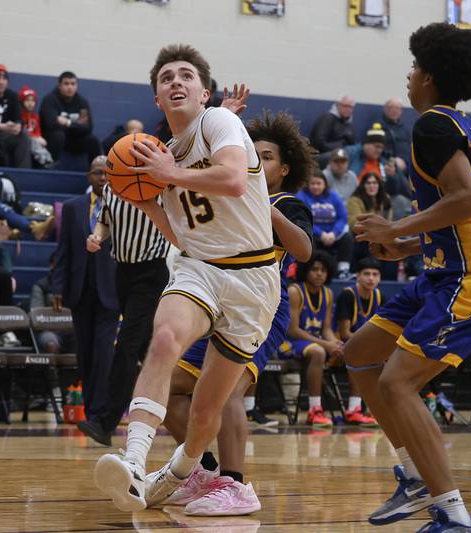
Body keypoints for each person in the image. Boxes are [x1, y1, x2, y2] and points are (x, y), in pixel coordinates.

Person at [345, 23, 471, 532]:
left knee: (398, 382)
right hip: (448, 270)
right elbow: (464, 215)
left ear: (432, 76)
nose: (410, 74)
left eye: (416, 66)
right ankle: (417, 476)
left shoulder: (433, 126)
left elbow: (467, 201)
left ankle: (454, 516)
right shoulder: (449, 126)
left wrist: (396, 223)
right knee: (359, 353)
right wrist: (407, 243)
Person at [93, 45, 280, 513]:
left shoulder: (220, 123)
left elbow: (235, 179)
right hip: (200, 268)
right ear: (157, 99)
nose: (175, 82)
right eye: (166, 78)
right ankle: (134, 461)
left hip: (254, 277)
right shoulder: (164, 156)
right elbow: (181, 232)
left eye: (186, 76)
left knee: (203, 409)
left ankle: (184, 472)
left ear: (204, 92)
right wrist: (148, 202)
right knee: (163, 340)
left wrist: (169, 173)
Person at [160, 110, 314, 515]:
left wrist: (271, 211)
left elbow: (303, 251)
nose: (256, 161)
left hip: (261, 302)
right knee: (172, 387)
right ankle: (205, 473)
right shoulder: (228, 191)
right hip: (216, 295)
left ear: (283, 168)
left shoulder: (286, 201)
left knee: (228, 391)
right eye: (252, 153)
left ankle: (236, 483)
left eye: (265, 157)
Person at [76, 151, 171, 446]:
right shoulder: (110, 189)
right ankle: (181, 415)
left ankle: (105, 422)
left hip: (152, 272)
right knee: (144, 352)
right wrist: (96, 237)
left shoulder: (157, 186)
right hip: (123, 273)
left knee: (126, 346)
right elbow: (105, 221)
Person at [51, 156, 119, 429]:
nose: (102, 177)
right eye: (96, 172)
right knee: (85, 354)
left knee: (104, 353)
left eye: (106, 173)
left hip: (111, 291)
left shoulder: (122, 206)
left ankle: (101, 413)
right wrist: (58, 286)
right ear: (88, 176)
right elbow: (63, 250)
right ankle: (90, 413)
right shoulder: (72, 208)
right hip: (80, 291)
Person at [282, 252, 341, 427]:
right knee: (318, 352)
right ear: (305, 271)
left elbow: (327, 329)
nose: (319, 273)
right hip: (288, 343)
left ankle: (355, 409)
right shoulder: (295, 291)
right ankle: (314, 410)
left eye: (323, 270)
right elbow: (292, 331)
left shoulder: (328, 294)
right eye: (314, 269)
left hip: (313, 342)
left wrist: (336, 343)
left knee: (346, 348)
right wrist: (326, 344)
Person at [334, 257, 381, 426]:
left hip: (368, 345)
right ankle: (354, 409)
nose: (371, 278)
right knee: (362, 354)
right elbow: (345, 333)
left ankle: (376, 409)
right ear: (358, 276)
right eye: (367, 274)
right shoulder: (347, 295)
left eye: (375, 274)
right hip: (340, 345)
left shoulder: (379, 296)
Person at [298, 171, 354, 279]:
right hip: (313, 234)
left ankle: (343, 270)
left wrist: (334, 233)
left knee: (348, 237)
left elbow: (343, 217)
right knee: (307, 237)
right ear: (308, 184)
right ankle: (310, 268)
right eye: (312, 184)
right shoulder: (301, 197)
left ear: (325, 184)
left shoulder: (333, 196)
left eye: (318, 183)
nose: (315, 186)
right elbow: (304, 220)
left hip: (332, 235)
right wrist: (321, 234)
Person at [39, 71, 102, 166]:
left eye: (73, 84)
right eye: (66, 84)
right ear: (59, 86)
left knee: (93, 140)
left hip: (74, 140)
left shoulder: (82, 102)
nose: (70, 87)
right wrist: (76, 125)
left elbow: (87, 128)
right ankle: (49, 165)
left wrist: (67, 123)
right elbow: (50, 124)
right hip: (54, 139)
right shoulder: (50, 99)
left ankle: (97, 170)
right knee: (58, 135)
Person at [348, 172, 393, 267]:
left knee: (393, 247)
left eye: (375, 183)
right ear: (363, 185)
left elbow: (390, 223)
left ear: (379, 185)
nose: (372, 186)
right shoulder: (355, 200)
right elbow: (354, 224)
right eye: (368, 183)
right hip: (362, 239)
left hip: (383, 238)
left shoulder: (385, 199)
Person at [18, 86, 54, 168]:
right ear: (22, 101)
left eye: (33, 100)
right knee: (34, 141)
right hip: (25, 140)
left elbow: (37, 131)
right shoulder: (20, 116)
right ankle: (44, 160)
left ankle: (48, 160)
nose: (30, 103)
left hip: (35, 140)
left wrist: (39, 137)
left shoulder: (35, 117)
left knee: (40, 142)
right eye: (27, 100)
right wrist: (36, 137)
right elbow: (23, 131)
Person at [379, 98, 412, 168]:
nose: (394, 110)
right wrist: (393, 160)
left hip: (407, 164)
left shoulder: (404, 129)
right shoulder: (379, 127)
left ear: (401, 111)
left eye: (397, 108)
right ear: (385, 109)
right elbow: (376, 150)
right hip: (390, 165)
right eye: (391, 107)